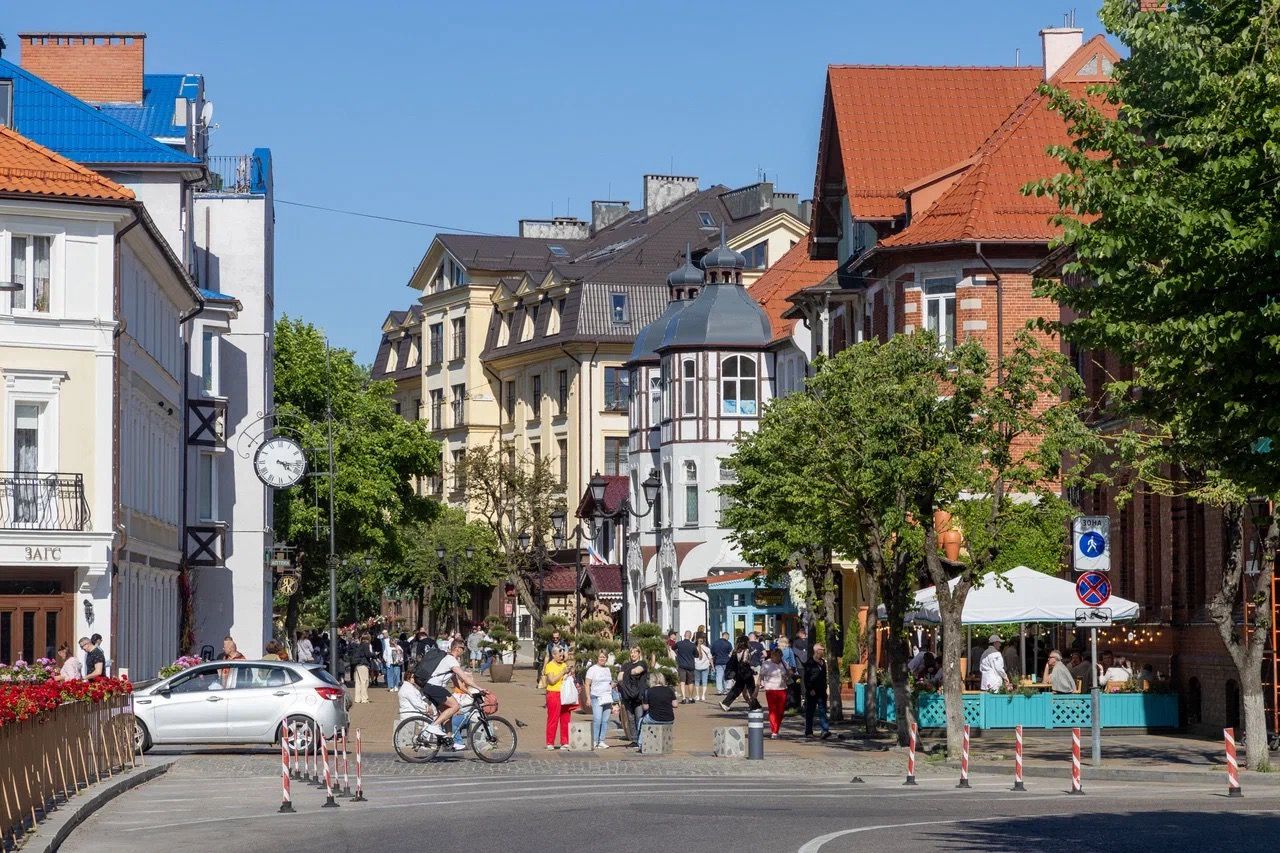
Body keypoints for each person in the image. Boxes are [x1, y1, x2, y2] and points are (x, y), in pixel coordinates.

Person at [420, 638, 480, 740]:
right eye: (463, 648)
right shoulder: (451, 660)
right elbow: (465, 678)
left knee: (448, 713)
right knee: (455, 706)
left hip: (430, 687)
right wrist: (480, 689)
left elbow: (458, 684)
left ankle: (449, 739)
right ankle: (434, 726)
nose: (463, 651)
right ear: (457, 648)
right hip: (434, 687)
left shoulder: (448, 660)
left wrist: (469, 692)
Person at [539, 645, 576, 750]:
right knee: (553, 718)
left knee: (565, 718)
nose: (561, 657)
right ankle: (550, 742)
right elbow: (552, 680)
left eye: (562, 655)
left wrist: (570, 674)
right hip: (553, 693)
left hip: (564, 693)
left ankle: (565, 741)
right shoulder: (550, 665)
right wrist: (562, 672)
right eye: (559, 655)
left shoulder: (564, 665)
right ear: (553, 655)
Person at [617, 646, 649, 745]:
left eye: (635, 652)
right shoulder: (625, 665)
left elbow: (637, 671)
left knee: (639, 717)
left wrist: (625, 674)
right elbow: (619, 678)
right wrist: (628, 673)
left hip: (638, 695)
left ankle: (641, 739)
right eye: (631, 652)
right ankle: (634, 740)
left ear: (639, 654)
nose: (633, 654)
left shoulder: (642, 663)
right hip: (627, 695)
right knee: (630, 718)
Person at [720, 636, 761, 711]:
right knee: (751, 689)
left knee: (737, 689)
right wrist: (752, 671)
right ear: (745, 642)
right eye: (748, 641)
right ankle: (755, 707)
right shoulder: (746, 650)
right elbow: (745, 662)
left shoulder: (735, 651)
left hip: (739, 673)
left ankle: (725, 703)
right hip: (746, 673)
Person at [585, 650, 615, 750]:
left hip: (607, 697)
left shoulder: (607, 669)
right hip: (596, 697)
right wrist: (588, 697)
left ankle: (601, 741)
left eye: (604, 657)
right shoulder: (592, 669)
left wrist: (613, 686)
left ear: (606, 659)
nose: (602, 659)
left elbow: (609, 683)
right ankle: (594, 741)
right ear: (597, 658)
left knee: (605, 720)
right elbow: (587, 684)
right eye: (600, 657)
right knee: (597, 719)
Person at [638, 672, 677, 747]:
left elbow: (645, 707)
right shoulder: (669, 690)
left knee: (641, 721)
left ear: (651, 680)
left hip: (654, 718)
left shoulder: (648, 691)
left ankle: (641, 744)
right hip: (669, 719)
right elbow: (675, 705)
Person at [802, 642, 831, 739]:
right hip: (812, 691)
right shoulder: (809, 663)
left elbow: (824, 677)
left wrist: (826, 688)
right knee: (810, 711)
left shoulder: (823, 662)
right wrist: (810, 689)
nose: (823, 652)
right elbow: (806, 678)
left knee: (823, 711)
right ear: (816, 651)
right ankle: (808, 731)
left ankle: (825, 730)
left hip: (822, 691)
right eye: (822, 650)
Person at [759, 648, 789, 738]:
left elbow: (788, 673)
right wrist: (758, 687)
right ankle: (774, 731)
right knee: (772, 710)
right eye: (773, 656)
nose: (775, 658)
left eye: (778, 656)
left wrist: (788, 675)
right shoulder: (766, 663)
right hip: (770, 689)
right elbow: (761, 675)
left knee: (780, 711)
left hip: (782, 689)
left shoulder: (783, 663)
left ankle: (776, 728)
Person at [673, 630, 697, 704]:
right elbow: (697, 655)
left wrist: (678, 653)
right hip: (690, 666)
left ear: (684, 635)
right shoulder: (693, 645)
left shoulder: (679, 643)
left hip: (681, 665)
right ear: (690, 636)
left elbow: (672, 648)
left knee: (682, 681)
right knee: (690, 682)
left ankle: (683, 698)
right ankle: (690, 698)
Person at [351, 633, 375, 704]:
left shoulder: (359, 645)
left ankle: (357, 699)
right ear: (368, 638)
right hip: (363, 665)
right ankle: (364, 699)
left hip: (357, 665)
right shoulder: (366, 644)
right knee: (364, 682)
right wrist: (374, 654)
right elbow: (368, 654)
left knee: (358, 683)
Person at [693, 634, 712, 702]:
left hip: (696, 666)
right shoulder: (707, 649)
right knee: (704, 681)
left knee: (697, 681)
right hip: (705, 666)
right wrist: (712, 666)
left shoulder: (694, 648)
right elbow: (710, 658)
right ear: (704, 641)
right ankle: (703, 695)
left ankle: (697, 695)